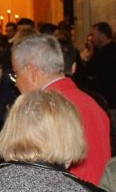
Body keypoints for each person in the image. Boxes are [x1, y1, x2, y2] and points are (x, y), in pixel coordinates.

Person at [13, 32, 110, 184]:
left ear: (32, 71)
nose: (16, 83)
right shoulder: (91, 102)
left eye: (16, 75)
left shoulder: (46, 111)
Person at [78, 21, 116, 115]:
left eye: (94, 35)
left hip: (107, 99)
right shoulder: (101, 51)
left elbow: (91, 72)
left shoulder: (109, 53)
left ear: (103, 36)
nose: (93, 39)